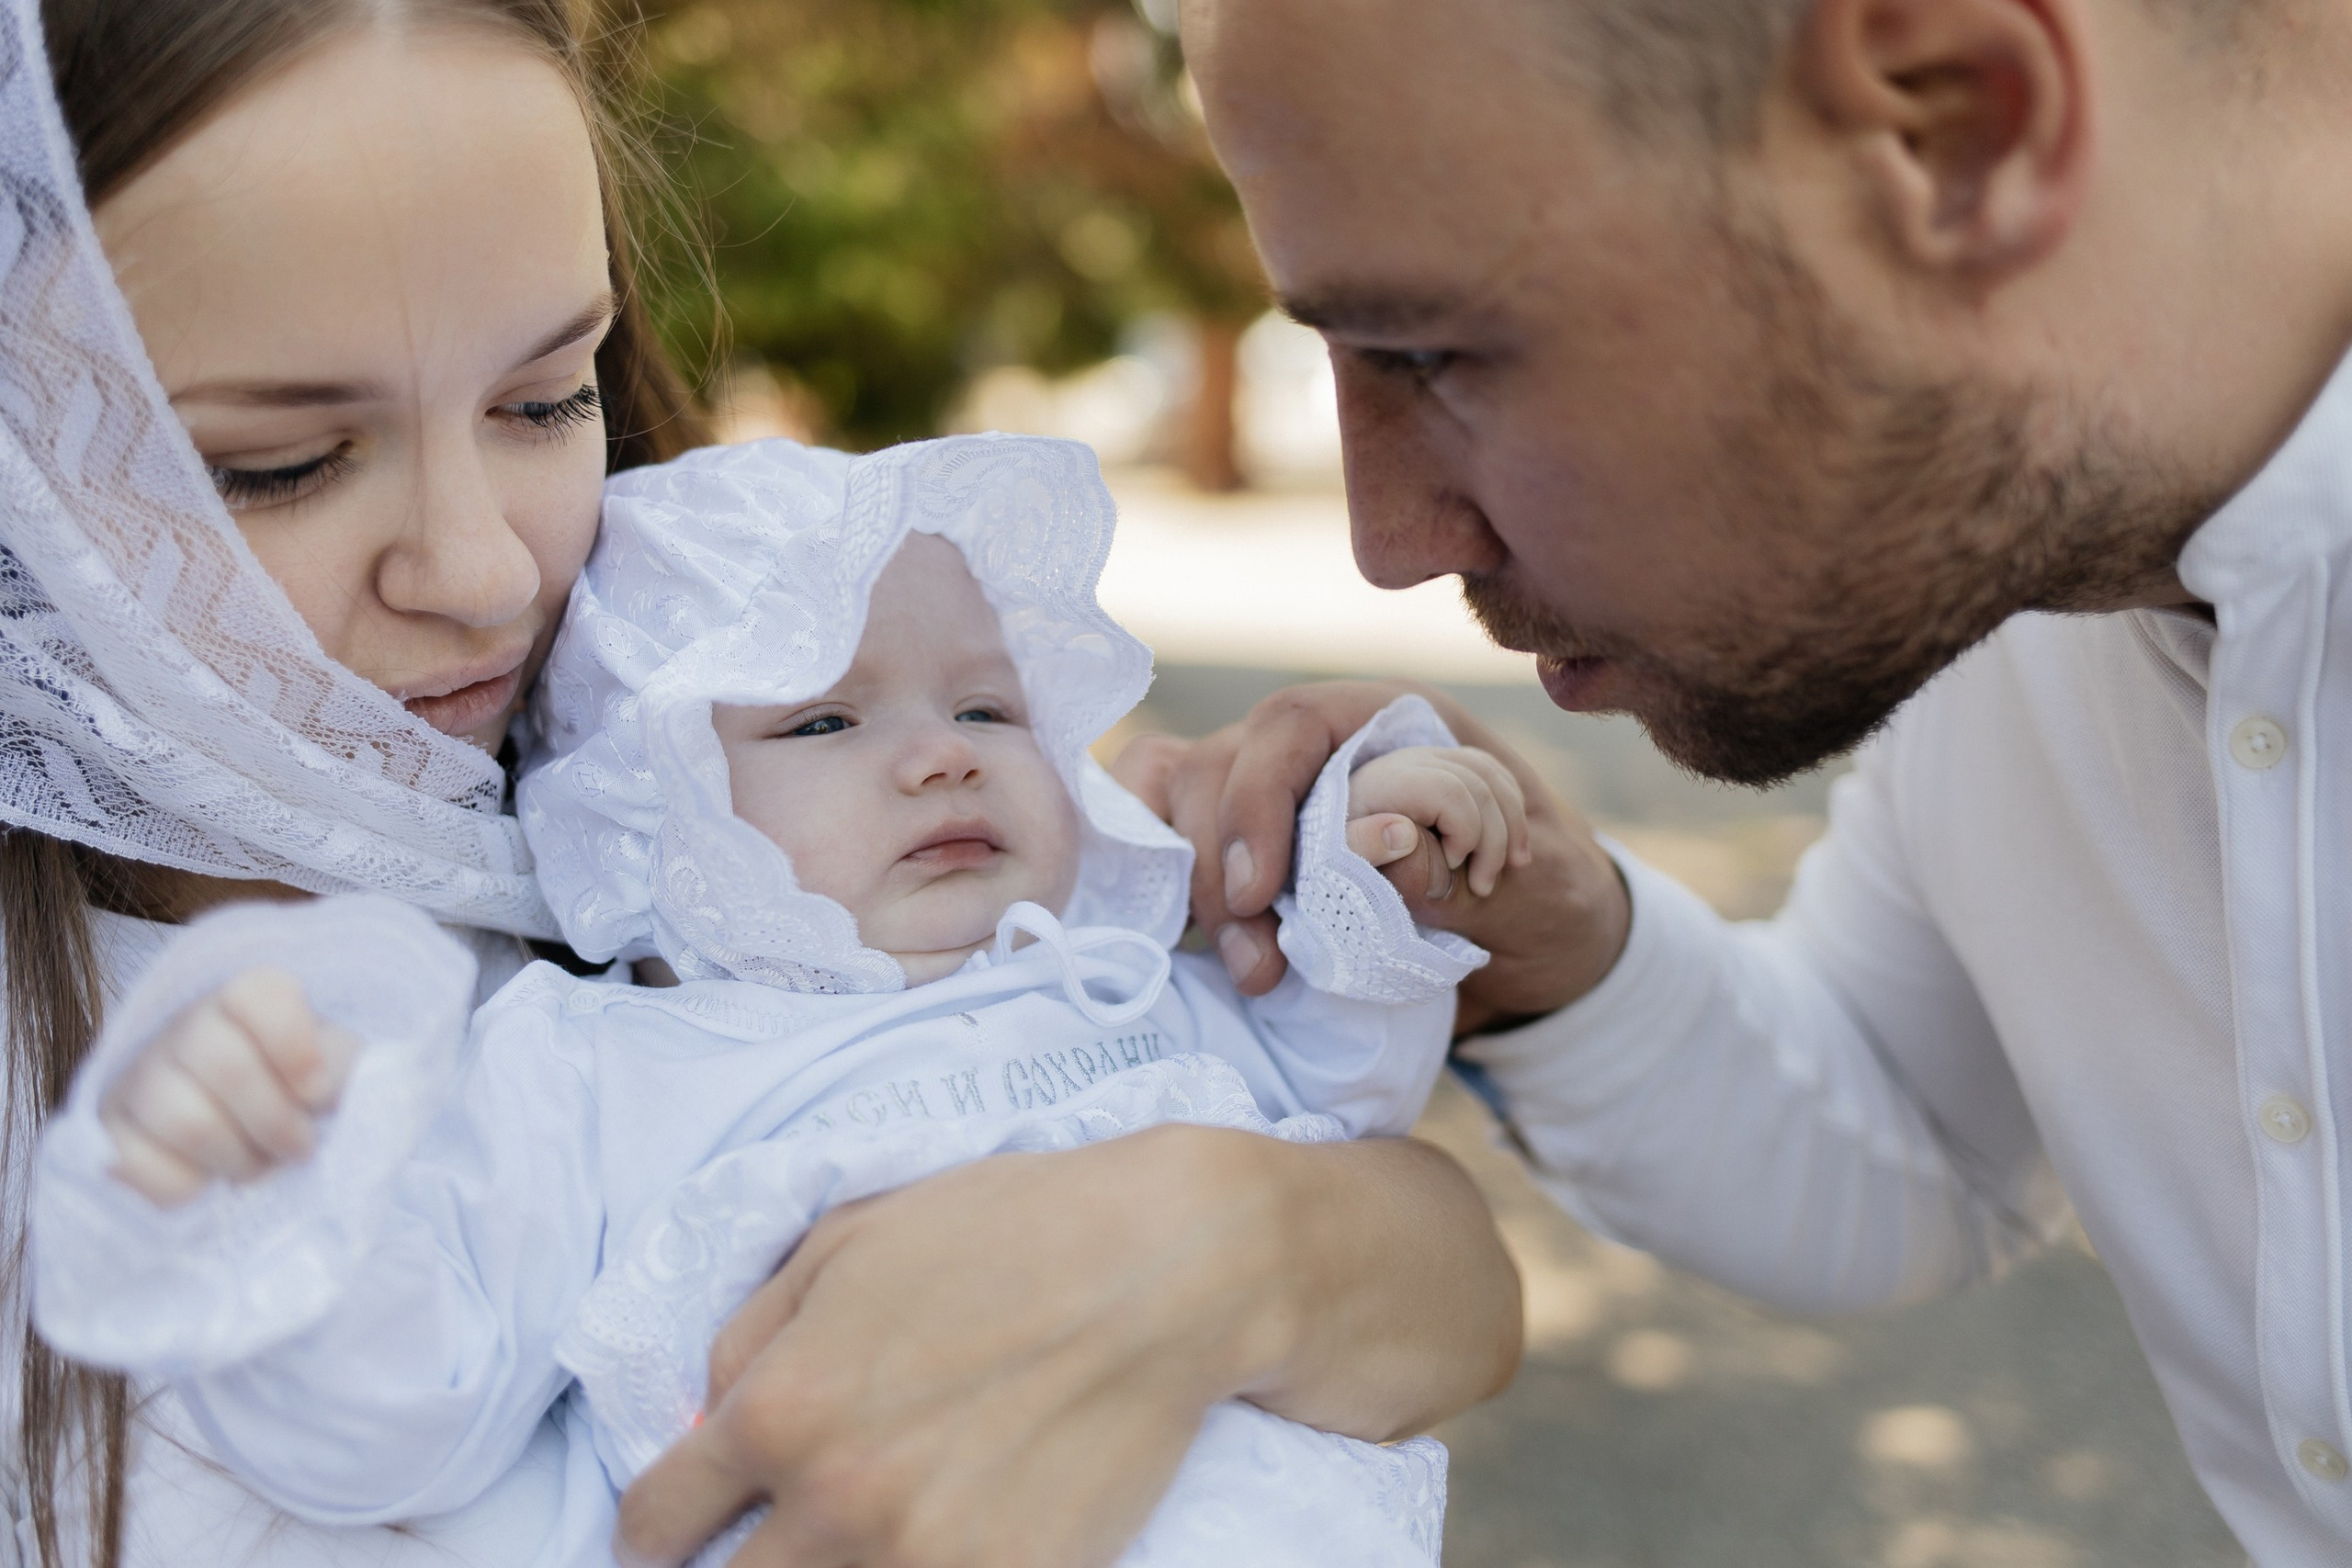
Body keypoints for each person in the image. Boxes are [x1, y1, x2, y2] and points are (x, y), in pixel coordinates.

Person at [2, 3, 1522, 1566]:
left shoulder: (724, 807)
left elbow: (1455, 1281)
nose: (479, 572)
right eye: (280, 463)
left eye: (545, 400)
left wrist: (1248, 1195)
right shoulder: (502, 1082)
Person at [1149, 0, 2352, 1559]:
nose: (1392, 542)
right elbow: (1910, 1130)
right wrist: (1556, 938)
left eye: (1432, 354)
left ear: (1957, 132)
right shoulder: (2003, 535)